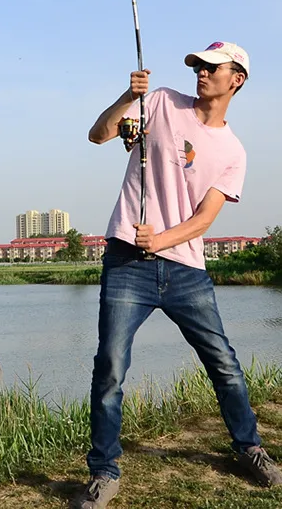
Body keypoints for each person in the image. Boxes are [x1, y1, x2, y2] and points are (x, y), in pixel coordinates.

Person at [75, 41, 282, 508]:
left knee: (223, 364)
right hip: (127, 262)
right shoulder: (162, 100)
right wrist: (128, 98)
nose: (202, 72)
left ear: (237, 80)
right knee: (110, 366)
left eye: (213, 67)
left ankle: (249, 448)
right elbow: (99, 134)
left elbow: (206, 218)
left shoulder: (234, 152)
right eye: (198, 65)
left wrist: (163, 240)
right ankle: (104, 471)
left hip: (186, 269)